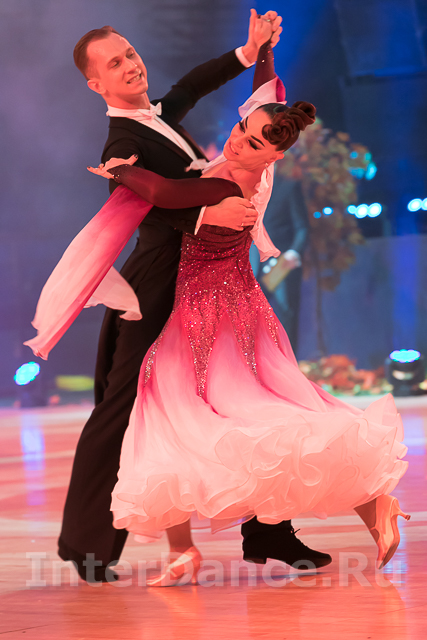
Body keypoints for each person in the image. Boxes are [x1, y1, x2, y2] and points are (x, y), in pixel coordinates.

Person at [85, 41, 409, 586]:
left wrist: (120, 171)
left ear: (273, 156)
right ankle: (370, 509)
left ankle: (189, 548)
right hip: (237, 312)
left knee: (192, 417)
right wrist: (261, 53)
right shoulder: (252, 164)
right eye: (241, 130)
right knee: (248, 415)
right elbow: (265, 100)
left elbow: (162, 191)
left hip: (210, 320)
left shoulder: (224, 184)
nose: (238, 140)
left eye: (254, 142)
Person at [50, 11, 328, 584]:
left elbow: (189, 86)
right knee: (122, 404)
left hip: (205, 277)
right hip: (159, 281)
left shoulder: (154, 116)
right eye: (115, 64)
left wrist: (249, 51)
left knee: (240, 394)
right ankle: (88, 545)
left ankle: (269, 529)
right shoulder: (122, 139)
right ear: (96, 84)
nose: (131, 66)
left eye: (130, 53)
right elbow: (149, 202)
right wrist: (205, 214)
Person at [257, 176, 309, 352]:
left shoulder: (288, 187)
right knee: (248, 318)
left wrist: (293, 252)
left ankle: (287, 363)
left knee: (286, 314)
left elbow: (302, 228)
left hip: (281, 264)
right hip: (252, 265)